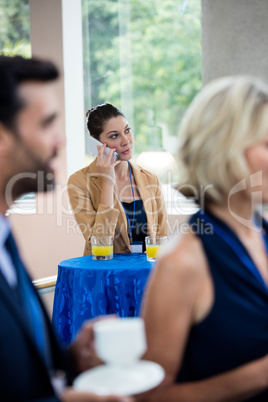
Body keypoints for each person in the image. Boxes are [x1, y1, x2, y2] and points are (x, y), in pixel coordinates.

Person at [0, 55, 131, 402]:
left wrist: (72, 360)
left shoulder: (5, 238)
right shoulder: (81, 182)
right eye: (46, 124)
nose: (59, 141)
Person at [141, 76, 268, 401]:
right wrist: (257, 375)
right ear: (225, 149)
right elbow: (152, 396)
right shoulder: (182, 262)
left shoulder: (261, 232)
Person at [68, 104, 167, 256]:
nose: (126, 141)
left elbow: (162, 239)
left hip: (145, 275)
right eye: (114, 136)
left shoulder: (150, 179)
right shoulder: (79, 182)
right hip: (105, 274)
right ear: (96, 143)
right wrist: (107, 182)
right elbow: (100, 243)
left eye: (127, 130)